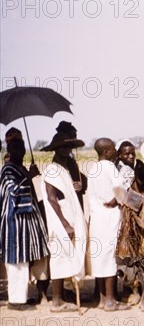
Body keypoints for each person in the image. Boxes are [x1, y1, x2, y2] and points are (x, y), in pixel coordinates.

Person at [40, 132, 87, 312]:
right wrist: (65, 223)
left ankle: (62, 297)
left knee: (67, 255)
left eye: (69, 147)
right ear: (56, 149)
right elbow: (52, 199)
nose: (67, 150)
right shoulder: (52, 169)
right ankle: (57, 301)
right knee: (59, 255)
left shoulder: (64, 168)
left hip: (68, 215)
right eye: (63, 147)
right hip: (59, 218)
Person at [0, 138, 50, 310]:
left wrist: (29, 174)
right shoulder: (8, 169)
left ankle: (21, 297)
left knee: (23, 261)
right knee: (16, 261)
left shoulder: (19, 168)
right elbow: (13, 191)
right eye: (15, 148)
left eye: (21, 148)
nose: (19, 151)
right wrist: (29, 176)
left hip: (24, 222)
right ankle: (16, 301)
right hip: (14, 221)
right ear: (10, 150)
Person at [88, 138, 130, 311]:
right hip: (110, 216)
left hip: (97, 217)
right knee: (110, 258)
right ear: (106, 152)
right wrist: (117, 200)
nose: (115, 152)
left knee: (100, 258)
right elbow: (120, 187)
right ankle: (112, 301)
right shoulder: (109, 167)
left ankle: (102, 300)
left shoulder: (92, 169)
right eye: (113, 149)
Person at [54, 121, 87, 209]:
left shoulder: (70, 157)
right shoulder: (60, 161)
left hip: (76, 194)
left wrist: (82, 183)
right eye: (72, 136)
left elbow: (77, 175)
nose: (74, 138)